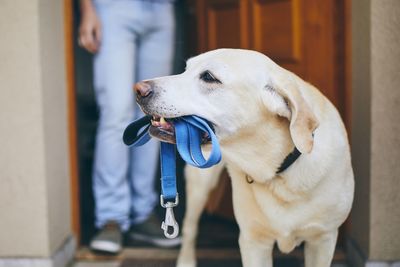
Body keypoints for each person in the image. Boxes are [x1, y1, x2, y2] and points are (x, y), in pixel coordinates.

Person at [78, 0, 179, 254]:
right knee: (116, 113)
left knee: (153, 113)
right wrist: (87, 9)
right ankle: (111, 217)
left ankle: (142, 213)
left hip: (161, 9)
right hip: (114, 8)